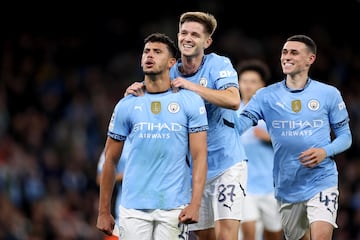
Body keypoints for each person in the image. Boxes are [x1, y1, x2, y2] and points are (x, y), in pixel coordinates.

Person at [126, 11, 248, 240]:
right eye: (184, 33)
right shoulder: (169, 69)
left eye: (195, 34)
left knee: (226, 235)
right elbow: (150, 98)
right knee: (204, 235)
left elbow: (232, 100)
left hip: (226, 163)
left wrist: (192, 88)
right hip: (192, 169)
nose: (187, 38)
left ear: (207, 41)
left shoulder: (218, 64)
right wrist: (134, 94)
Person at [235, 34, 352, 240]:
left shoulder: (328, 94)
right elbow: (240, 125)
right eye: (284, 52)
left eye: (294, 52)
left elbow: (345, 137)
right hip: (286, 185)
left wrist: (326, 151)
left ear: (310, 59)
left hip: (321, 179)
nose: (286, 57)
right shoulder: (265, 96)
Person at [96, 32, 208, 240]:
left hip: (175, 206)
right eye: (146, 51)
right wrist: (104, 211)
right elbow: (110, 159)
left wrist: (195, 204)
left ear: (171, 62)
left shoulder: (190, 101)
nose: (150, 55)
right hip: (132, 208)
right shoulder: (126, 104)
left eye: (157, 52)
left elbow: (200, 156)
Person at [236, 59, 283, 240]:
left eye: (253, 81)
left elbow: (291, 142)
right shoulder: (232, 113)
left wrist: (270, 138)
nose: (248, 86)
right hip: (243, 185)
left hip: (270, 185)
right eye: (244, 81)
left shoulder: (273, 113)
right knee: (249, 231)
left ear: (262, 85)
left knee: (273, 234)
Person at [96, 141, 128, 239]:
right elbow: (99, 178)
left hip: (158, 213)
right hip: (123, 216)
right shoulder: (117, 142)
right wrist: (126, 176)